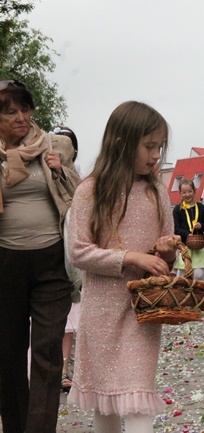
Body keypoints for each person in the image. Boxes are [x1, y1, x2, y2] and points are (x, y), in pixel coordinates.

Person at [66, 101, 177, 433]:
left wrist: (166, 251)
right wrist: (131, 257)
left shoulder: (157, 192)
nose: (156, 154)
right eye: (149, 146)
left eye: (159, 146)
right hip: (101, 310)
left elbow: (166, 247)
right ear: (121, 142)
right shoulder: (90, 190)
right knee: (106, 401)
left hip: (143, 311)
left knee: (138, 395)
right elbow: (78, 252)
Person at [0, 79, 80, 433]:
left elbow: (83, 198)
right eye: (9, 111)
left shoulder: (54, 144)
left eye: (25, 108)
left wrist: (60, 171)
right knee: (8, 355)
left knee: (48, 354)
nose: (20, 117)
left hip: (51, 262)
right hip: (5, 265)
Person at [53, 126, 82, 394]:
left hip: (73, 259)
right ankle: (61, 370)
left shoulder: (78, 179)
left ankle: (72, 369)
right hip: (50, 253)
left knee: (75, 322)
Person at [173, 179, 204, 279]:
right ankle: (183, 294)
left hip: (199, 247)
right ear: (180, 193)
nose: (187, 194)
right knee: (184, 274)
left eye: (189, 191)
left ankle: (197, 293)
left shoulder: (201, 208)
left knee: (199, 274)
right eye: (184, 192)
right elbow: (176, 229)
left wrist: (201, 226)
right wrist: (186, 234)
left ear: (194, 191)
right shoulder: (178, 209)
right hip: (184, 247)